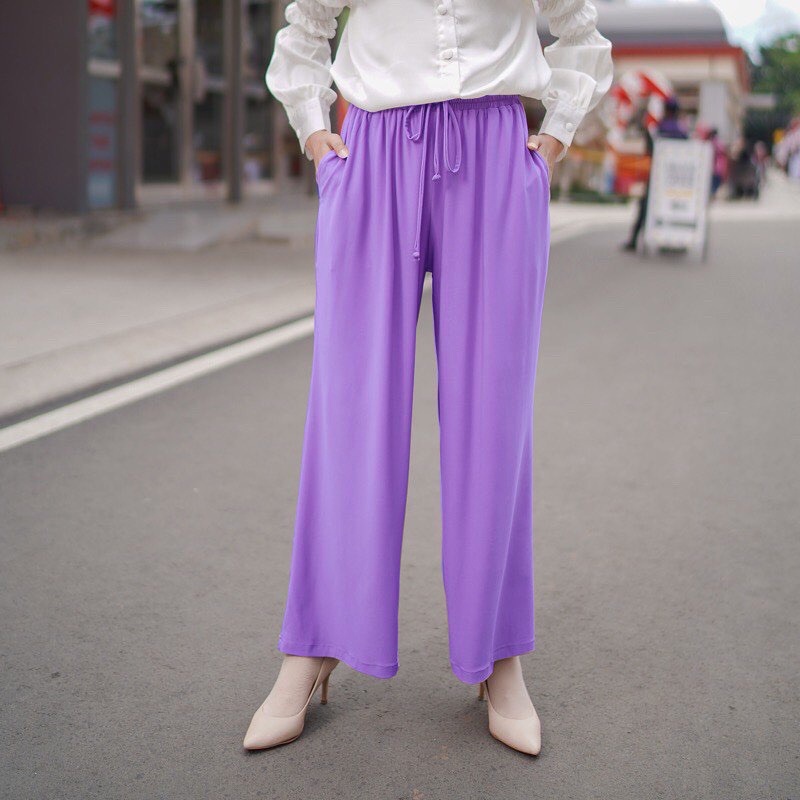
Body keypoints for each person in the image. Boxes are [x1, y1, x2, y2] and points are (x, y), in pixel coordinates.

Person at [244, 0, 614, 757]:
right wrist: (314, 131)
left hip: (495, 153)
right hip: (372, 151)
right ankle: (315, 642)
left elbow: (580, 30)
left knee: (493, 414)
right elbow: (306, 27)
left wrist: (552, 137)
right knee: (350, 408)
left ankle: (497, 654)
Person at [621, 95, 688, 252]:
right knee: (673, 208)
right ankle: (673, 242)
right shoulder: (682, 131)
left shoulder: (659, 129)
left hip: (657, 175)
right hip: (675, 179)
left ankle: (634, 240)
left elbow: (650, 150)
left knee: (646, 207)